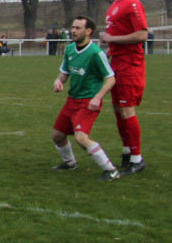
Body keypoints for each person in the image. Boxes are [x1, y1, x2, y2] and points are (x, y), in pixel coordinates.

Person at [50, 16, 120, 181]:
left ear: (88, 31)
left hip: (88, 101)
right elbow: (65, 72)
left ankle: (111, 170)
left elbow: (111, 78)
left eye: (78, 28)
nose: (73, 31)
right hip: (72, 100)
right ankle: (70, 163)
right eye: (73, 27)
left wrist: (98, 97)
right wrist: (58, 80)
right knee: (57, 136)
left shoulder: (96, 53)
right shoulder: (70, 49)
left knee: (81, 138)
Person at [99, 0, 148, 174]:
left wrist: (112, 39)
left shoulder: (133, 4)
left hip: (130, 64)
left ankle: (137, 159)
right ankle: (127, 152)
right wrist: (109, 51)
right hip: (116, 63)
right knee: (118, 110)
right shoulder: (114, 6)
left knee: (127, 110)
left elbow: (142, 34)